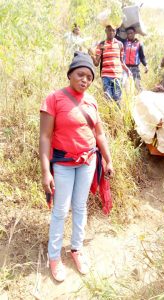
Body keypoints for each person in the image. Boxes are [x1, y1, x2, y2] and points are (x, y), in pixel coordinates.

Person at [39, 52, 113, 282]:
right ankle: (54, 256)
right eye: (80, 74)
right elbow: (45, 137)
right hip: (63, 163)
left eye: (89, 77)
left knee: (80, 207)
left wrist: (108, 159)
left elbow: (99, 133)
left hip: (88, 161)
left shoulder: (91, 101)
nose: (85, 80)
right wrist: (44, 172)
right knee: (61, 210)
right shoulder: (53, 99)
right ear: (70, 74)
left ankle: (76, 249)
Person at [89, 24, 131, 104]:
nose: (111, 32)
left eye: (113, 30)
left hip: (117, 76)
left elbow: (121, 61)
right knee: (108, 98)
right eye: (109, 30)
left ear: (116, 32)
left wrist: (127, 70)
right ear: (105, 31)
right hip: (106, 76)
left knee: (117, 98)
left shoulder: (120, 45)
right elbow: (96, 63)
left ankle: (117, 116)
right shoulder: (101, 45)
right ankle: (110, 116)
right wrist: (92, 55)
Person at [123, 26, 148, 91]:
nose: (130, 35)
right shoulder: (124, 43)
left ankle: (143, 97)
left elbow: (142, 56)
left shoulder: (139, 44)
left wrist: (146, 65)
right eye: (128, 33)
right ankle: (128, 100)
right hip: (125, 68)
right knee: (126, 86)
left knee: (137, 85)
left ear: (135, 33)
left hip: (135, 68)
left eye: (131, 33)